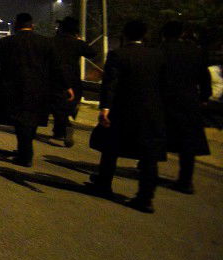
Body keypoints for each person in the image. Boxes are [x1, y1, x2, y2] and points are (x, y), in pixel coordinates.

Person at [88, 20, 166, 213]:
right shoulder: (157, 55)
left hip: (123, 109)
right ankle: (145, 198)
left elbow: (110, 84)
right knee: (149, 157)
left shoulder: (118, 55)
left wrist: (105, 108)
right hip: (151, 111)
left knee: (111, 148)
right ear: (145, 34)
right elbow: (164, 84)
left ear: (125, 34)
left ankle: (104, 184)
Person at [0, 12, 67, 167]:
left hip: (13, 88)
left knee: (21, 122)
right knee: (31, 120)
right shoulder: (46, 43)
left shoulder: (6, 42)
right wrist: (65, 86)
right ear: (32, 25)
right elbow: (57, 67)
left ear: (16, 26)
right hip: (39, 89)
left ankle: (25, 154)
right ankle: (24, 150)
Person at [160, 21, 211, 194]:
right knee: (187, 145)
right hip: (189, 101)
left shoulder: (161, 50)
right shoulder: (196, 52)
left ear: (164, 34)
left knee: (155, 136)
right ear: (182, 34)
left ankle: (147, 169)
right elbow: (205, 78)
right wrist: (204, 97)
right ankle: (185, 180)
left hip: (164, 100)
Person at [50, 17, 97, 146]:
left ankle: (65, 127)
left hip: (56, 79)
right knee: (66, 106)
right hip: (74, 80)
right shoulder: (77, 43)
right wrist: (80, 41)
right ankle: (60, 131)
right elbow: (92, 53)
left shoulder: (53, 41)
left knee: (57, 107)